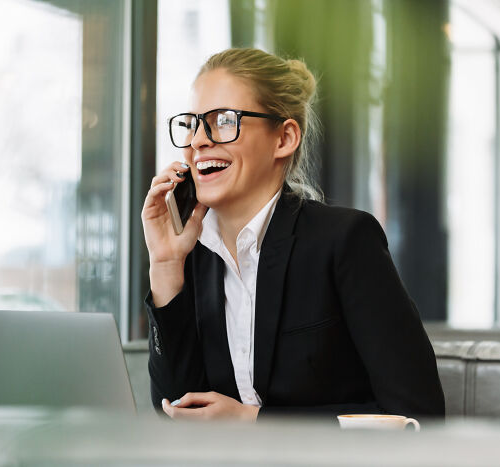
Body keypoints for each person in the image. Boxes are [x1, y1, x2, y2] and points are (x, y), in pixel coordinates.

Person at [141, 47, 445, 422]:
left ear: (284, 138)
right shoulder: (194, 256)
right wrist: (166, 263)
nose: (199, 141)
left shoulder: (345, 240)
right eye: (192, 124)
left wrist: (253, 423)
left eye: (223, 120)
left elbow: (418, 416)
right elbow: (175, 413)